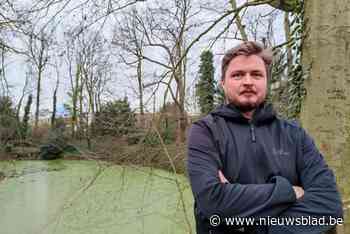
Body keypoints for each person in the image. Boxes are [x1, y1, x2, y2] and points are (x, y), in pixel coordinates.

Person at [187, 41, 343, 234]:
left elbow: (329, 206)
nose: (248, 81)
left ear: (266, 81)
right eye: (237, 75)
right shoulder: (205, 132)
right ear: (223, 83)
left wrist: (259, 227)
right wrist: (288, 192)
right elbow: (212, 202)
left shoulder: (294, 133)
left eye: (256, 74)